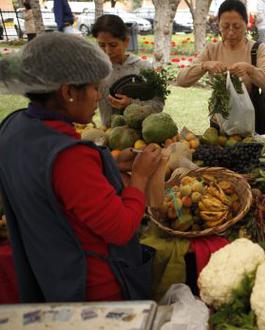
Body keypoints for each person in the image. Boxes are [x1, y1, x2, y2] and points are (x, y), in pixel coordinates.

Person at [0, 33, 162, 302]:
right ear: (68, 92)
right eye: (94, 88)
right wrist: (140, 179)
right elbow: (122, 229)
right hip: (93, 288)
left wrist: (106, 164)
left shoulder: (13, 127)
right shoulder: (70, 157)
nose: (98, 96)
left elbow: (51, 183)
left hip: (49, 275)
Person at [176, 0, 265, 126]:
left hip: (247, 122)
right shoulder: (212, 49)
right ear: (218, 25)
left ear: (246, 24)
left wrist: (250, 70)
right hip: (218, 122)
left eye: (237, 26)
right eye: (225, 26)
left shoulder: (256, 49)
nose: (231, 32)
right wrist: (204, 66)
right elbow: (181, 80)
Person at [92, 14, 164, 127]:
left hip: (141, 138)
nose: (107, 51)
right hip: (108, 135)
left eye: (113, 45)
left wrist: (131, 104)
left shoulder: (143, 68)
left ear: (126, 41)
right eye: (101, 45)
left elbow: (158, 104)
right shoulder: (96, 71)